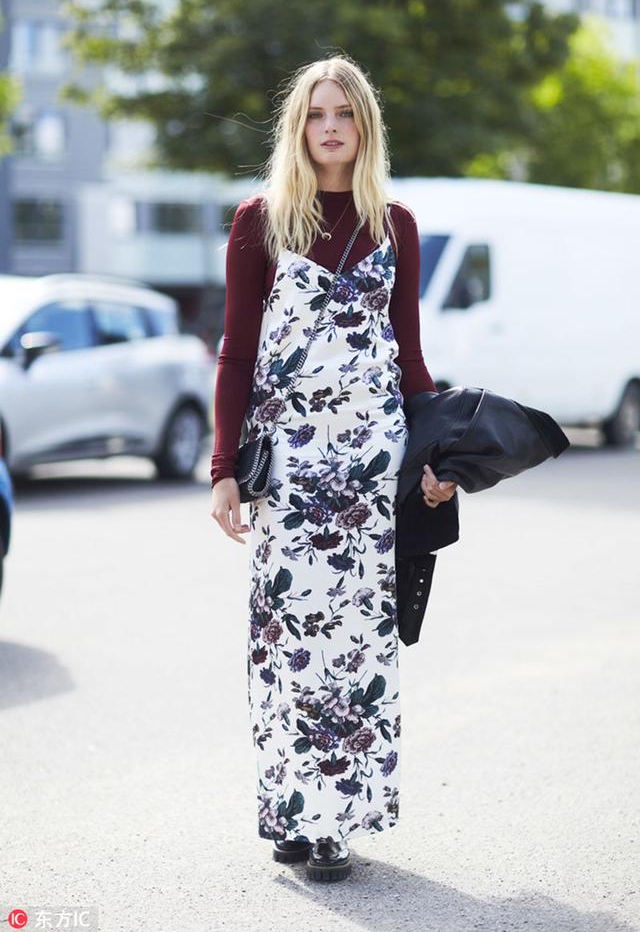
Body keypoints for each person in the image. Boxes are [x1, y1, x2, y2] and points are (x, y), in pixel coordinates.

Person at [210, 54, 457, 882]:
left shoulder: (395, 224)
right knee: (289, 641)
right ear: (298, 125)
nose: (329, 127)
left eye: (344, 113)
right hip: (289, 468)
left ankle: (331, 824)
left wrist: (434, 456)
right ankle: (293, 810)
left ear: (364, 126)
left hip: (370, 472)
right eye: (316, 113)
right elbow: (237, 352)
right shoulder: (261, 220)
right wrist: (223, 467)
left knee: (354, 645)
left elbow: (410, 357)